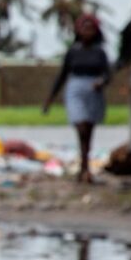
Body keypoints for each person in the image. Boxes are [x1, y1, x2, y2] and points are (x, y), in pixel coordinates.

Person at [43, 13, 110, 183]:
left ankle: (85, 168)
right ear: (78, 31)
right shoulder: (73, 52)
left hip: (93, 90)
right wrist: (50, 99)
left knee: (89, 128)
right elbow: (62, 75)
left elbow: (108, 74)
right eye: (84, 28)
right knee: (80, 126)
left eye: (90, 29)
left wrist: (101, 82)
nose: (87, 32)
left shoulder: (100, 52)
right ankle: (83, 166)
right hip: (75, 89)